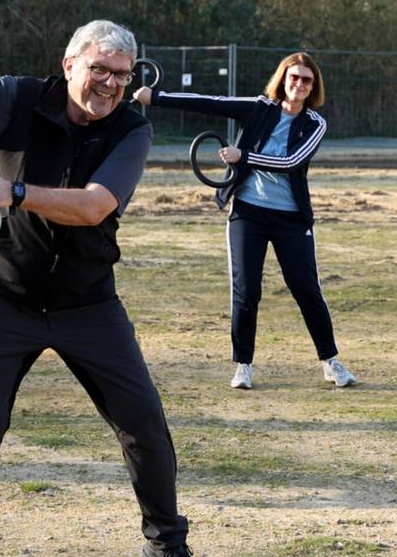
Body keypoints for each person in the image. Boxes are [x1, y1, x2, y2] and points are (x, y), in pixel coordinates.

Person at [0, 20, 207, 557]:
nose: (111, 84)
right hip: (4, 295)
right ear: (69, 65)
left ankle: (168, 544)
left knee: (143, 423)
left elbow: (94, 207)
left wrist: (12, 192)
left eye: (122, 74)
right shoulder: (14, 98)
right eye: (100, 69)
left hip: (88, 303)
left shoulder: (131, 130)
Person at [135, 52, 356, 392]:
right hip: (248, 214)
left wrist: (245, 156)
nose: (298, 84)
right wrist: (157, 97)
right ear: (283, 79)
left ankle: (331, 362)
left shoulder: (315, 124)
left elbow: (291, 161)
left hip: (291, 220)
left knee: (306, 290)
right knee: (246, 291)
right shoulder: (259, 108)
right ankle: (243, 365)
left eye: (306, 80)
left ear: (314, 87)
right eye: (293, 77)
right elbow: (210, 103)